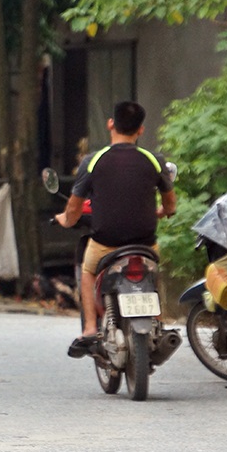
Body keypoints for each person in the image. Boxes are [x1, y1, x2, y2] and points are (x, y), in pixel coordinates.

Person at [54, 101, 176, 357]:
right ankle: (159, 322)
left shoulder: (93, 160)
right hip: (144, 242)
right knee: (153, 273)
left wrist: (65, 220)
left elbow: (74, 209)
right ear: (140, 130)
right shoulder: (154, 160)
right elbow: (170, 203)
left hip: (105, 242)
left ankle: (89, 328)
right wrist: (164, 212)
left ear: (111, 124)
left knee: (87, 272)